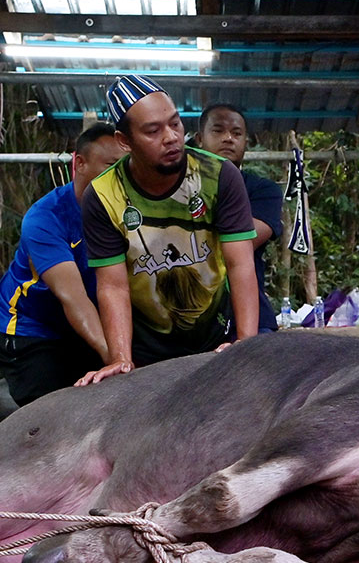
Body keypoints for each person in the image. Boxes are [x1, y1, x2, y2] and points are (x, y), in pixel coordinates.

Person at [76, 74, 260, 386]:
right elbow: (112, 286)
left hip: (215, 336)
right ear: (124, 141)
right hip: (148, 346)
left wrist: (245, 343)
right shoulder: (102, 196)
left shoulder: (219, 176)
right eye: (153, 131)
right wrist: (120, 358)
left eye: (175, 123)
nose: (171, 137)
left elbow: (240, 263)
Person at [0, 124, 124, 405]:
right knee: (52, 410)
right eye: (111, 166)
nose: (121, 177)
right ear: (79, 163)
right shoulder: (45, 218)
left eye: (126, 168)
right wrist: (118, 359)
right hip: (31, 327)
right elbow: (74, 298)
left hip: (86, 324)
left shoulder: (127, 212)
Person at [195, 103, 284, 333]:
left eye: (236, 133)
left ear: (246, 142)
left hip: (251, 320)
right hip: (193, 324)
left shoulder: (264, 191)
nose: (228, 138)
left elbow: (241, 243)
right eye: (218, 130)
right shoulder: (178, 190)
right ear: (199, 139)